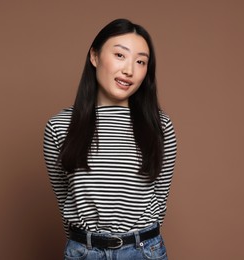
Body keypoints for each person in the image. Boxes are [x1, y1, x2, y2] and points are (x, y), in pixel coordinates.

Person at [43, 18, 177, 260]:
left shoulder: (160, 126)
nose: (129, 70)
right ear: (94, 57)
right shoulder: (59, 126)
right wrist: (85, 242)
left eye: (140, 61)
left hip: (144, 251)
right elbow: (65, 198)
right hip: (84, 251)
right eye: (120, 55)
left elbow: (160, 197)